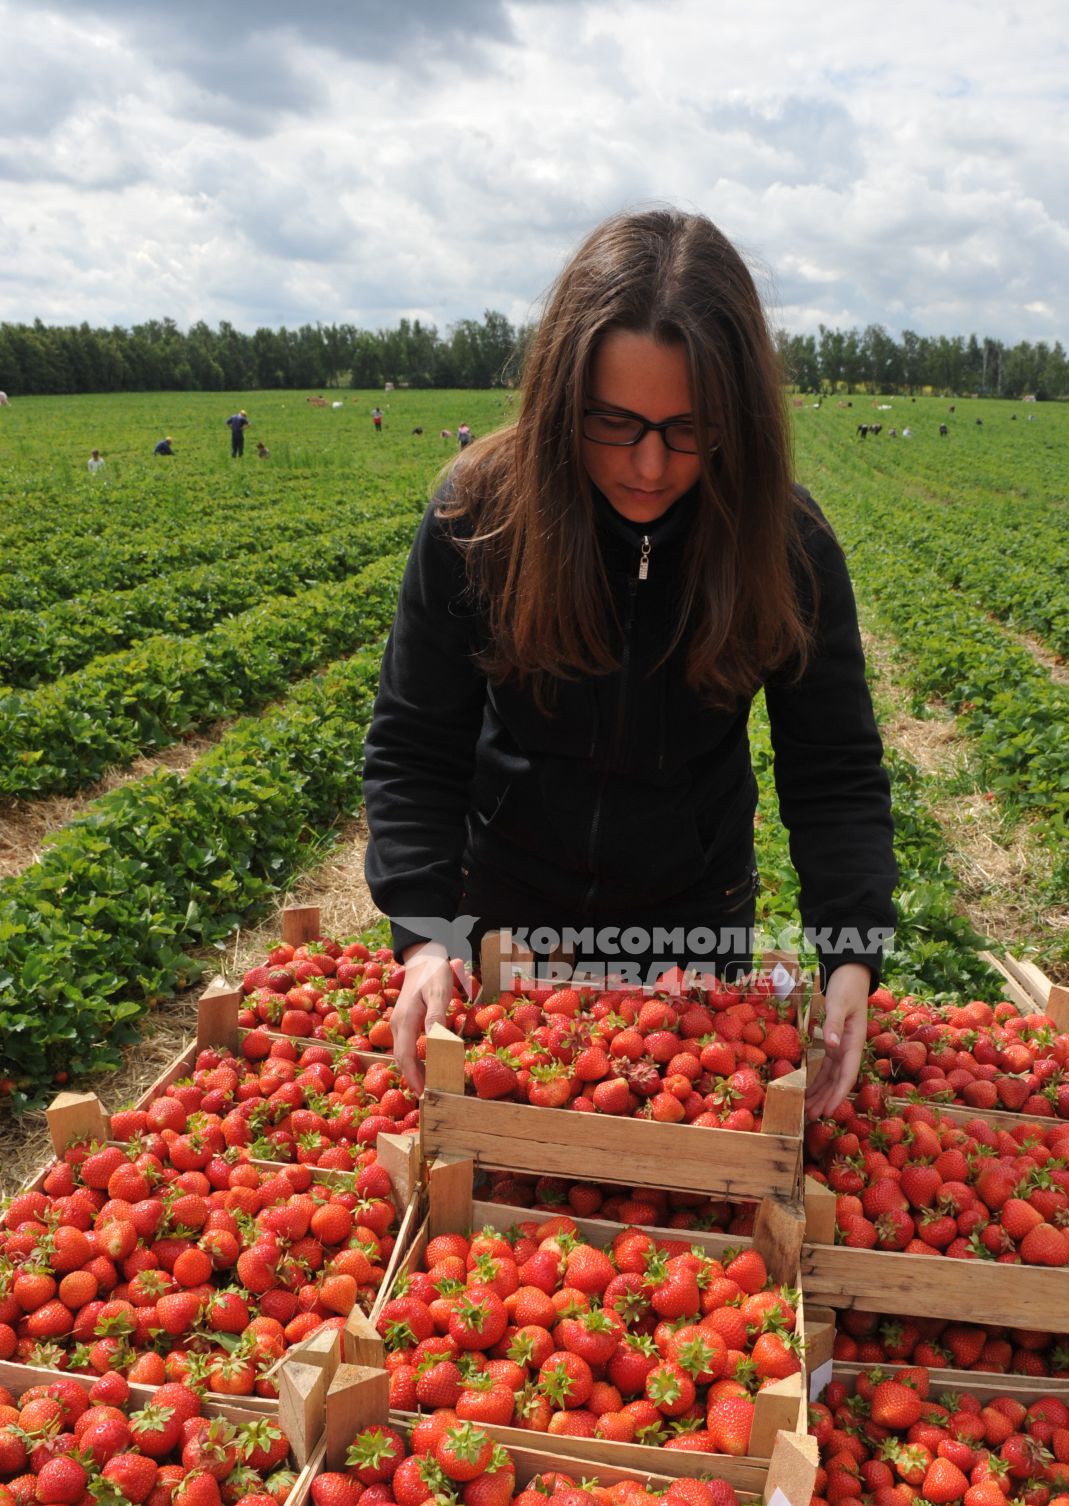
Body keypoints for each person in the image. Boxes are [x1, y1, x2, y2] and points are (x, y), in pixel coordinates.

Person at [363, 209, 897, 1119]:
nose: (649, 466)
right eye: (614, 424)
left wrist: (849, 955)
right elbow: (418, 741)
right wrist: (423, 937)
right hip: (507, 910)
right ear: (558, 399)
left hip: (694, 914)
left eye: (690, 430)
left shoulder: (782, 542)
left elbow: (833, 769)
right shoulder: (481, 519)